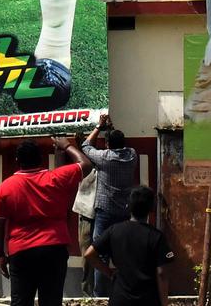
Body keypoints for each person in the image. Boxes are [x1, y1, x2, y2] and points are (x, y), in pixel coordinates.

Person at [0, 135, 94, 306]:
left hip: (21, 251)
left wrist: (0, 256)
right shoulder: (57, 178)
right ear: (40, 159)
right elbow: (86, 164)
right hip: (54, 249)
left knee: (21, 301)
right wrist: (67, 145)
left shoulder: (5, 187)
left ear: (17, 160)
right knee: (51, 301)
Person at [84, 185, 174, 306]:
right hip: (147, 300)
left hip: (119, 298)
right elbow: (162, 273)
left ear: (129, 207)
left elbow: (89, 254)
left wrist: (109, 273)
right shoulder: (156, 236)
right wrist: (164, 302)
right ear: (151, 208)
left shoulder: (114, 231)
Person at [82, 114, 137, 295]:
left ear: (107, 145)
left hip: (104, 212)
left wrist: (99, 126)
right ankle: (123, 291)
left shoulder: (104, 157)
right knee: (123, 253)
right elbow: (119, 144)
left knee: (100, 254)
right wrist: (111, 127)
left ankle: (100, 295)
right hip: (124, 213)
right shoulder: (132, 156)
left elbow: (85, 145)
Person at [73, 163, 99, 297]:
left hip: (101, 211)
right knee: (88, 255)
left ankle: (95, 293)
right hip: (87, 211)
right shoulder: (85, 161)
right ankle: (88, 293)